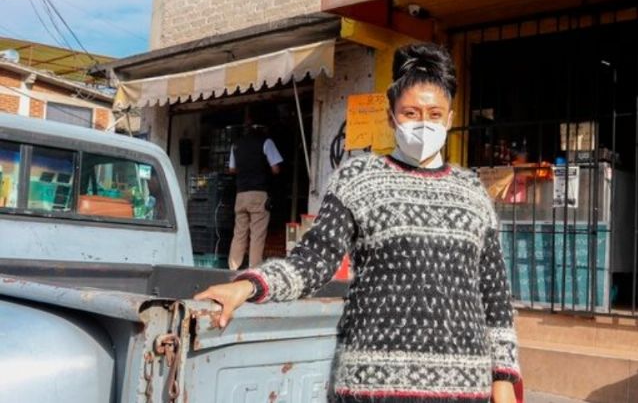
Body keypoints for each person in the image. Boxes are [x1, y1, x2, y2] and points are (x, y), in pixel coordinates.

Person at [195, 44, 522, 403]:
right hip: (371, 383)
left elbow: (493, 292)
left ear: (448, 118)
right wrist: (248, 286)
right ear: (391, 117)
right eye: (411, 113)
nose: (423, 123)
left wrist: (503, 378)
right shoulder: (359, 178)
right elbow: (314, 259)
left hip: (464, 386)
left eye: (434, 113)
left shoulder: (471, 190)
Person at [227, 114, 283, 271]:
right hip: (258, 193)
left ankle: (232, 267)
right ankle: (254, 270)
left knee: (239, 233)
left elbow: (231, 169)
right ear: (261, 127)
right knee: (257, 234)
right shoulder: (266, 141)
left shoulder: (236, 145)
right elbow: (276, 168)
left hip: (241, 194)